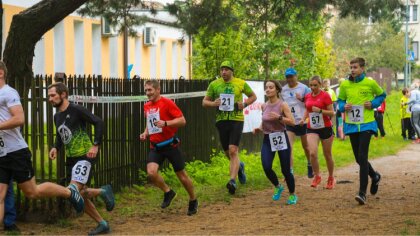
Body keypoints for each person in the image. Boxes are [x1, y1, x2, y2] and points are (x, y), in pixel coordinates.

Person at [0, 61, 84, 225]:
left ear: (1, 73)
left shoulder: (8, 93)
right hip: (1, 153)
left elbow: (19, 118)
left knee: (32, 192)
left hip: (16, 152)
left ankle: (69, 193)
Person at [48, 82, 115, 235]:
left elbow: (98, 122)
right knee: (81, 194)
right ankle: (102, 219)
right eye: (49, 96)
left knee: (72, 191)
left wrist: (96, 145)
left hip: (86, 155)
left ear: (63, 94)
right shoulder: (57, 116)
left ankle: (102, 193)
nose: (50, 99)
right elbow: (61, 135)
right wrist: (55, 147)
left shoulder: (76, 109)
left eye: (53, 95)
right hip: (71, 159)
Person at [139, 79, 198, 215]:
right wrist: (145, 133)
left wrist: (166, 123)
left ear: (158, 90)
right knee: (151, 172)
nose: (148, 93)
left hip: (170, 145)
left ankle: (193, 199)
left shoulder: (167, 103)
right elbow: (150, 123)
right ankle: (168, 192)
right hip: (155, 147)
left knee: (182, 177)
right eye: (146, 90)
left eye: (150, 90)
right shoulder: (147, 106)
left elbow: (182, 121)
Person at [202, 61, 257, 194]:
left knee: (233, 150)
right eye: (222, 70)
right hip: (221, 121)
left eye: (226, 69)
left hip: (236, 120)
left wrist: (244, 104)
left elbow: (253, 96)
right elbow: (204, 102)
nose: (224, 72)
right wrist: (213, 103)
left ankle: (232, 181)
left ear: (232, 71)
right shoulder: (214, 84)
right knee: (228, 153)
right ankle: (240, 166)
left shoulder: (240, 83)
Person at [337, 57, 385, 205]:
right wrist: (342, 107)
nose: (352, 70)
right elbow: (340, 101)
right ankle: (375, 176)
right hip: (352, 125)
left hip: (367, 124)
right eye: (351, 67)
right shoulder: (345, 85)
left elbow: (382, 95)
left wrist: (373, 103)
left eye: (355, 67)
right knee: (358, 158)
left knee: (362, 156)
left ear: (362, 68)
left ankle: (362, 193)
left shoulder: (370, 82)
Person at [253, 80, 297, 204]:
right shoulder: (264, 105)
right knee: (266, 166)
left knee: (285, 170)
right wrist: (259, 128)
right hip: (267, 139)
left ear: (277, 90)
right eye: (266, 88)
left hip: (281, 137)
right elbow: (265, 120)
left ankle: (292, 194)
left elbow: (292, 122)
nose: (268, 90)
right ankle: (278, 186)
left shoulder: (283, 105)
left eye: (271, 87)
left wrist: (279, 117)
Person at [304, 76, 335, 189]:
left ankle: (331, 177)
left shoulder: (325, 95)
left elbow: (332, 113)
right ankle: (317, 176)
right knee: (312, 153)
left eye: (315, 85)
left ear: (320, 85)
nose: (312, 87)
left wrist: (321, 111)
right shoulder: (307, 96)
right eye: (311, 85)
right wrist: (303, 119)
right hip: (312, 127)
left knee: (327, 154)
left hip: (325, 128)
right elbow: (307, 109)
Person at [281, 68, 313, 178]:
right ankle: (290, 171)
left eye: (291, 76)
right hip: (290, 122)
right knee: (289, 146)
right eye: (287, 77)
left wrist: (302, 99)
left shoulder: (304, 88)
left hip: (302, 121)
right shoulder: (283, 90)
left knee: (306, 146)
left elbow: (310, 104)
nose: (289, 79)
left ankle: (309, 164)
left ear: (296, 76)